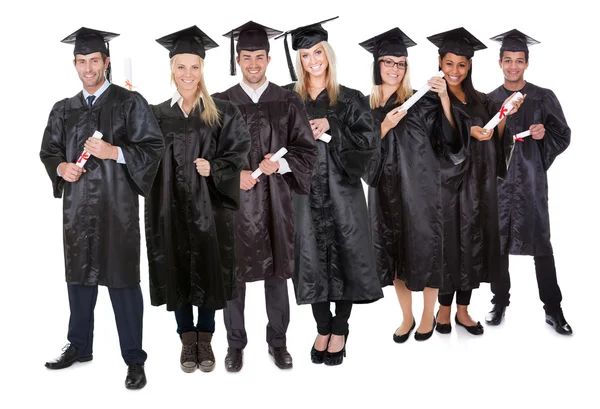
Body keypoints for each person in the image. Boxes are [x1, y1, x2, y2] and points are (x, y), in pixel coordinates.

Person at [40, 27, 165, 389]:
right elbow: (48, 151)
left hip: (117, 208)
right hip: (77, 209)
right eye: (82, 61)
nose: (88, 68)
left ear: (106, 62)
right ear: (75, 64)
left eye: (95, 60)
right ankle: (79, 346)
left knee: (123, 282)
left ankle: (134, 360)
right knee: (78, 277)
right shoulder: (64, 109)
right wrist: (60, 168)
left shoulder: (129, 102)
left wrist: (116, 152)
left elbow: (154, 147)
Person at [277, 16, 383, 366]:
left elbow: (369, 145)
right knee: (307, 260)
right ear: (299, 61)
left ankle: (340, 327)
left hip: (343, 193)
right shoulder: (287, 99)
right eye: (305, 55)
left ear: (328, 54)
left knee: (348, 256)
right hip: (303, 196)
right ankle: (322, 326)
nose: (313, 60)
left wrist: (332, 126)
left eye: (317, 52)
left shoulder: (350, 99)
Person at [146, 26, 251, 374]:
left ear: (202, 69)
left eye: (194, 67)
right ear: (172, 70)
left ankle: (205, 339)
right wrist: (133, 107)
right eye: (181, 67)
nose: (187, 74)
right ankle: (186, 341)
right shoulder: (156, 113)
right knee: (176, 267)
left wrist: (215, 167)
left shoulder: (221, 111)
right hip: (169, 206)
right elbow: (140, 149)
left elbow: (239, 151)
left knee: (209, 268)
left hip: (211, 206)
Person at [214, 21, 317, 372]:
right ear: (237, 60)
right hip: (236, 205)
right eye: (247, 57)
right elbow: (206, 159)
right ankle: (235, 344)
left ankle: (279, 342)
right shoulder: (220, 103)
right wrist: (233, 175)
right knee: (234, 277)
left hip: (276, 202)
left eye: (259, 56)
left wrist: (283, 166)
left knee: (276, 275)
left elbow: (307, 151)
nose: (253, 64)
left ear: (269, 59)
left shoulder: (287, 101)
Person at [359, 28, 469, 343]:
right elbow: (355, 156)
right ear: (377, 66)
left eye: (401, 63)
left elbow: (451, 140)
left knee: (427, 251)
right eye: (388, 62)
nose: (395, 69)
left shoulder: (422, 101)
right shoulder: (363, 106)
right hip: (384, 193)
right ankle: (406, 316)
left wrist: (445, 97)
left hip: (421, 191)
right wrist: (383, 126)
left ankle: (426, 316)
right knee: (394, 256)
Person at [425, 27, 524, 336]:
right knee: (447, 247)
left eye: (462, 64)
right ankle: (443, 310)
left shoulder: (480, 100)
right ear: (439, 61)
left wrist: (505, 113)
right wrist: (467, 129)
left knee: (471, 246)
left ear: (469, 66)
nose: (454, 71)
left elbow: (495, 136)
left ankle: (463, 311)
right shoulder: (429, 100)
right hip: (447, 187)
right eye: (449, 63)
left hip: (479, 187)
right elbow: (438, 139)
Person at [485, 29, 572, 335]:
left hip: (532, 184)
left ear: (526, 63)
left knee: (541, 246)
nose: (513, 66)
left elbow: (563, 134)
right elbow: (481, 143)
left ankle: (553, 309)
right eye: (507, 60)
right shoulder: (490, 101)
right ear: (499, 62)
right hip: (499, 186)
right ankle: (499, 301)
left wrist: (543, 134)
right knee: (497, 245)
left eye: (518, 60)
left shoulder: (542, 96)